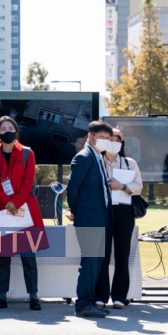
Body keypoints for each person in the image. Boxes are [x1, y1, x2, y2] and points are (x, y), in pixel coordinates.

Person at [0, 116, 45, 312]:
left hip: (23, 210)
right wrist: (7, 202)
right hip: (2, 211)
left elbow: (29, 181)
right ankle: (2, 297)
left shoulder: (27, 153)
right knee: (3, 257)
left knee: (28, 256)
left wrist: (15, 203)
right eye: (3, 129)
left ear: (16, 131)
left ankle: (34, 297)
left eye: (11, 127)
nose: (7, 131)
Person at [67, 121, 114, 318]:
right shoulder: (84, 157)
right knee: (89, 261)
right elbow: (72, 188)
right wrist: (77, 211)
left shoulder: (98, 157)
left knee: (96, 261)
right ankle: (83, 304)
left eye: (108, 138)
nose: (105, 141)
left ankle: (91, 301)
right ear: (90, 136)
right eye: (101, 137)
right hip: (88, 218)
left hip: (99, 217)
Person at [95, 126, 142, 309]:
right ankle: (100, 296)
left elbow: (138, 186)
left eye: (118, 140)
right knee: (102, 255)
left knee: (122, 255)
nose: (114, 143)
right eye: (111, 139)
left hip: (124, 212)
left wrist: (122, 186)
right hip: (103, 211)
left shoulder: (129, 163)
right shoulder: (97, 161)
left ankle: (119, 297)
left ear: (122, 143)